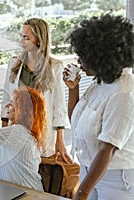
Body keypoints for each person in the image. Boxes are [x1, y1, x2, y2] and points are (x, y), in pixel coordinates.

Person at [63, 14, 134, 200]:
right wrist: (73, 90)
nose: (80, 63)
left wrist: (81, 193)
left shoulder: (124, 93)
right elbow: (77, 124)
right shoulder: (100, 83)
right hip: (89, 168)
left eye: (84, 58)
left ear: (101, 58)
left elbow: (107, 149)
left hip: (116, 177)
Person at [1, 18, 70, 161]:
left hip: (42, 131)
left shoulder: (55, 67)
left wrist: (60, 141)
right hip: (17, 130)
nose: (21, 42)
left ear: (39, 40)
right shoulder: (14, 64)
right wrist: (4, 132)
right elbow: (6, 99)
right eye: (21, 36)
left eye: (26, 38)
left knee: (39, 173)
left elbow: (59, 107)